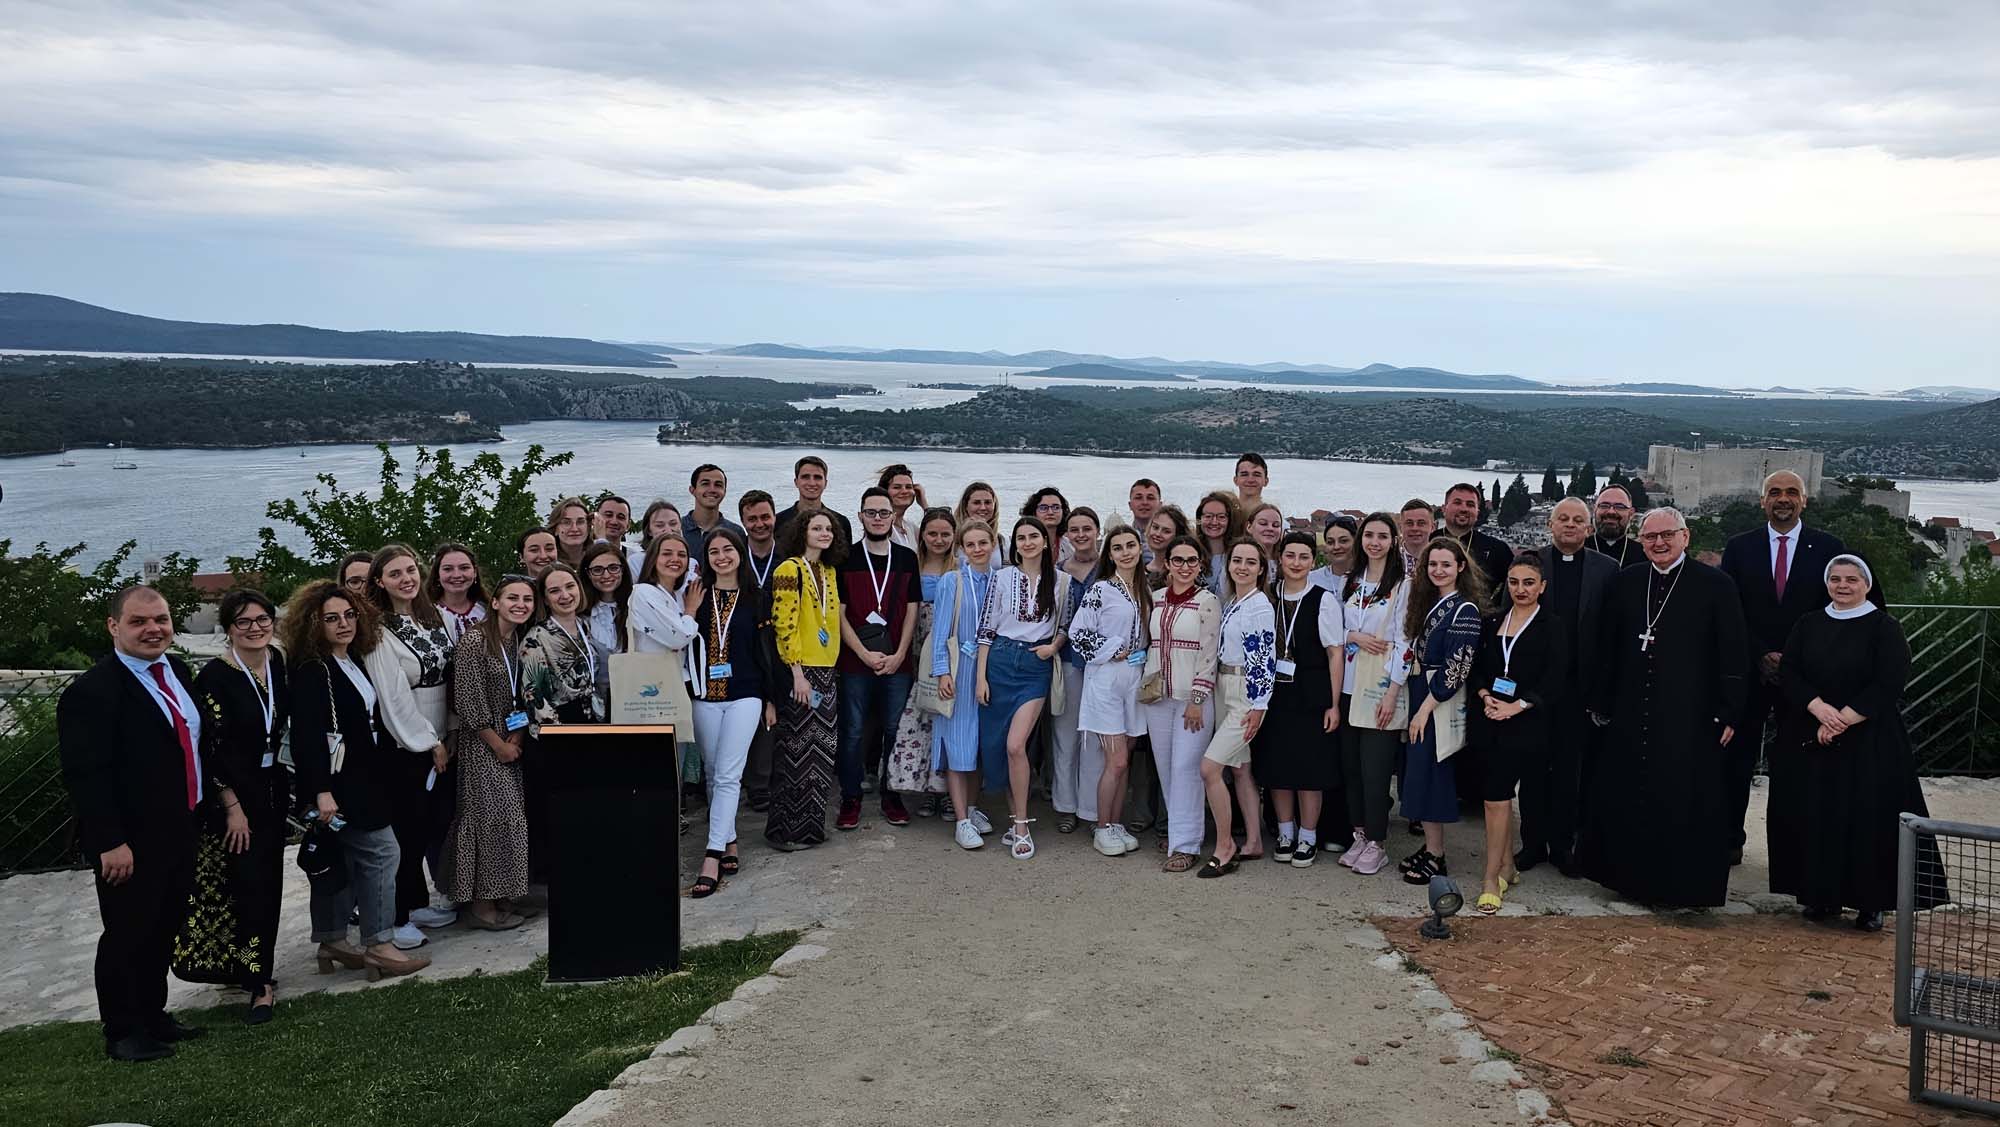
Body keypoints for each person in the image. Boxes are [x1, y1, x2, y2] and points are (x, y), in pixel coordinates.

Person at [59, 586, 208, 1059]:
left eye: (160, 620)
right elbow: (87, 775)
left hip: (180, 825)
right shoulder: (92, 691)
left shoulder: (176, 671)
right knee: (127, 932)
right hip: (129, 839)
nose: (153, 629)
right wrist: (110, 841)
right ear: (114, 626)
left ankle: (153, 1014)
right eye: (139, 621)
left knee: (164, 925)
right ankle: (122, 1030)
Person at [1585, 507, 1749, 908]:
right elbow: (1607, 646)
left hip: (1689, 711)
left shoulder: (1716, 584)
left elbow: (1733, 651)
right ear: (1640, 541)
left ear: (1685, 537)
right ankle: (1627, 880)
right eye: (1650, 537)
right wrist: (1601, 700)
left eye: (1667, 535)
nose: (1658, 543)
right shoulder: (1626, 581)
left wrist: (1730, 709)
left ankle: (1678, 888)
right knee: (1629, 795)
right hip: (1630, 706)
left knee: (1680, 797)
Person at [1771, 555, 1944, 931]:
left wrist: (1843, 719)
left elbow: (1889, 680)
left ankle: (1871, 903)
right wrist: (1819, 710)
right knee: (1818, 817)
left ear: (1867, 584)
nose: (1842, 586)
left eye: (1851, 579)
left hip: (1870, 739)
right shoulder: (1808, 623)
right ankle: (1821, 896)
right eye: (1835, 579)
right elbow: (1790, 672)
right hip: (1813, 732)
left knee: (1868, 820)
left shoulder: (1884, 627)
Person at [284, 581, 430, 985]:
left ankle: (332, 939)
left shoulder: (351, 660)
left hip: (363, 778)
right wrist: (321, 791)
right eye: (331, 618)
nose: (343, 624)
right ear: (313, 624)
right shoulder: (313, 670)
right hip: (339, 785)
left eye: (349, 615)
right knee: (383, 853)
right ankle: (379, 943)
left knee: (343, 857)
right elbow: (308, 737)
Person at [1718, 469, 1847, 865]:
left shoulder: (1828, 548)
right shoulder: (1739, 547)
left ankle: (1796, 850)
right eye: (1774, 492)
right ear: (1763, 502)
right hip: (1750, 671)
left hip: (1805, 676)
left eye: (1792, 492)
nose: (1783, 498)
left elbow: (1834, 610)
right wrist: (1760, 654)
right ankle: (1728, 840)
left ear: (1804, 500)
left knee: (1800, 763)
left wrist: (1791, 659)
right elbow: (1730, 611)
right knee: (1735, 760)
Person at [186, 589, 290, 1023]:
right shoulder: (214, 676)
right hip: (235, 798)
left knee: (269, 884)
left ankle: (254, 967)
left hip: (272, 790)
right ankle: (258, 982)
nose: (255, 628)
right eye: (244, 621)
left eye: (262, 619)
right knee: (247, 885)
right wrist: (231, 806)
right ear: (229, 628)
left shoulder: (277, 662)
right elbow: (209, 748)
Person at [362, 544, 457, 948]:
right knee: (407, 830)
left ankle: (417, 904)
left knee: (431, 824)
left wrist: (450, 732)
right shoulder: (377, 630)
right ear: (380, 582)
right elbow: (393, 695)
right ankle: (397, 917)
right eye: (395, 574)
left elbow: (450, 678)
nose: (406, 579)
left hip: (442, 732)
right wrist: (427, 742)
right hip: (406, 741)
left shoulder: (434, 618)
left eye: (410, 570)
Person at [686, 527, 782, 897]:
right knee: (713, 773)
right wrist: (689, 612)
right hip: (703, 695)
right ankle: (728, 839)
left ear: (740, 553)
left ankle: (711, 856)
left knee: (728, 774)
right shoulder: (695, 593)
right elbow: (681, 637)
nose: (722, 556)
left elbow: (767, 650)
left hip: (746, 694)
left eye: (728, 549)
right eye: (714, 551)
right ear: (706, 558)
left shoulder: (757, 597)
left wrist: (771, 699)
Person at [1471, 554, 1568, 913]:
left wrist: (1519, 706)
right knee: (1494, 798)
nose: (1520, 589)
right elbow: (1476, 669)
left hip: (1527, 724)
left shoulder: (1552, 626)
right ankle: (1506, 867)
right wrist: (1486, 697)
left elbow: (1556, 678)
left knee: (1500, 798)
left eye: (1528, 583)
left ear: (1542, 586)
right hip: (1490, 719)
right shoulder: (1492, 621)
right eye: (1514, 582)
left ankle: (1490, 877)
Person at [442, 573, 535, 931]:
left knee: (510, 820)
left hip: (511, 738)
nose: (520, 605)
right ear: (495, 602)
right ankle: (481, 906)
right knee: (489, 820)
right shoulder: (474, 642)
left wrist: (518, 737)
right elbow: (467, 700)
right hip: (483, 744)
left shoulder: (518, 640)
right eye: (512, 598)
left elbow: (523, 693)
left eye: (527, 599)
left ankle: (503, 896)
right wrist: (498, 744)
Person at [1529, 498, 1616, 875]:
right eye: (1562, 518)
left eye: (1578, 520)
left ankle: (1563, 847)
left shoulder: (1607, 569)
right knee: (1533, 769)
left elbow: (1612, 630)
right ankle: (1532, 844)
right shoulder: (1530, 562)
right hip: (1534, 688)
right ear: (1550, 525)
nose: (1569, 525)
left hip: (1579, 688)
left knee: (1569, 772)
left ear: (1589, 528)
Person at [976, 516, 1068, 860]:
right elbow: (986, 629)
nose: (1027, 542)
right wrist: (981, 677)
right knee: (997, 745)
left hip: (1034, 666)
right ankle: (1014, 816)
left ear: (1045, 541)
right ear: (1014, 544)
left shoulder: (1061, 580)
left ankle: (1020, 826)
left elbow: (1067, 624)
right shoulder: (1002, 577)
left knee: (1016, 745)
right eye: (1021, 538)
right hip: (1000, 661)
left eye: (1033, 536)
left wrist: (1053, 647)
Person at [1397, 537, 1486, 885]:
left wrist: (1424, 710)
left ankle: (1437, 855)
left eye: (1446, 564)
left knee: (1433, 773)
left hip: (1438, 699)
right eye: (1433, 564)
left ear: (1460, 567)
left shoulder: (1465, 610)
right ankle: (1430, 846)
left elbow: (1456, 668)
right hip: (1421, 690)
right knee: (1419, 772)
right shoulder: (1431, 603)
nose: (1438, 570)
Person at [1255, 532, 1345, 867]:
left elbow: (1335, 654)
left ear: (1313, 560)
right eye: (1290, 556)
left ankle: (1308, 836)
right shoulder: (1267, 595)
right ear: (1279, 558)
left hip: (1311, 695)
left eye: (1304, 557)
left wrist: (1333, 704)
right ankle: (1285, 833)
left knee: (1310, 770)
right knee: (1278, 767)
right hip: (1274, 695)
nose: (1296, 563)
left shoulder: (1323, 600)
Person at [834, 487, 921, 830]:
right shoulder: (846, 559)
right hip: (856, 661)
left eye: (884, 513)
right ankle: (851, 796)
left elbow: (912, 610)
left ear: (892, 516)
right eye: (871, 512)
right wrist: (863, 653)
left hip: (898, 662)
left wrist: (900, 654)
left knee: (895, 729)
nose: (878, 518)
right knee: (853, 731)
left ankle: (891, 794)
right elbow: (839, 614)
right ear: (860, 516)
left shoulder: (907, 558)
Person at [1195, 540, 1277, 877]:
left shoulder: (1259, 606)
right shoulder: (1232, 602)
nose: (1242, 567)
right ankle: (1254, 841)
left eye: (1250, 562)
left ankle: (1225, 845)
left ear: (1261, 568)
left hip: (1245, 693)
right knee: (1240, 768)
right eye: (1237, 561)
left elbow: (1264, 659)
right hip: (1224, 687)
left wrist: (1259, 705)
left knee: (1209, 769)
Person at [1334, 513, 1410, 875]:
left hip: (1380, 688)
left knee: (1375, 771)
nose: (1374, 542)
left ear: (1393, 541)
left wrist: (1393, 692)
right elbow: (1333, 629)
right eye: (1369, 535)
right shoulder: (1351, 582)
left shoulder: (1403, 586)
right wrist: (1353, 636)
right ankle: (1360, 835)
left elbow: (1406, 642)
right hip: (1348, 686)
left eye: (1382, 536)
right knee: (1351, 768)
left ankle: (1377, 842)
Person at [1142, 534, 1222, 873]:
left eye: (1192, 560)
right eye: (1178, 560)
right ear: (1168, 564)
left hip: (1192, 700)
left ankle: (1185, 846)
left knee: (1186, 769)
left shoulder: (1208, 601)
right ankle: (1179, 834)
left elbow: (1209, 654)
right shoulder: (1156, 598)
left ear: (1200, 565)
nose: (1185, 567)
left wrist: (1198, 698)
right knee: (1166, 769)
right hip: (1157, 699)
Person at [766, 511, 845, 849]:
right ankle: (785, 831)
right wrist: (797, 673)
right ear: (803, 532)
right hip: (801, 672)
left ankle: (811, 828)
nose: (824, 533)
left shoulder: (829, 571)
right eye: (816, 528)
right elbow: (783, 623)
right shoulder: (789, 569)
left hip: (826, 671)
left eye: (828, 528)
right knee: (796, 750)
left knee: (822, 752)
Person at [1070, 524, 1150, 858]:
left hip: (1134, 680)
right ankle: (1102, 827)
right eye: (1118, 547)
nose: (1126, 552)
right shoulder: (1101, 589)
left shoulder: (1144, 589)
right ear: (1111, 554)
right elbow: (1078, 633)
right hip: (1105, 680)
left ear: (1139, 548)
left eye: (1131, 545)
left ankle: (1116, 824)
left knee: (1125, 761)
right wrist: (1112, 648)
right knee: (1114, 761)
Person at [886, 508, 957, 816]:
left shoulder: (961, 567)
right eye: (932, 534)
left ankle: (947, 790)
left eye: (945, 534)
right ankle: (926, 787)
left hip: (949, 652)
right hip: (915, 648)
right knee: (920, 718)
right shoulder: (911, 565)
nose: (938, 540)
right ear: (922, 535)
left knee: (948, 719)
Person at [932, 520, 997, 849]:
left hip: (990, 673)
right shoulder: (952, 581)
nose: (977, 549)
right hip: (959, 672)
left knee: (979, 746)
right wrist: (942, 672)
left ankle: (972, 810)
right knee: (958, 745)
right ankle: (960, 820)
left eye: (982, 543)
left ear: (992, 544)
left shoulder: (1000, 581)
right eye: (970, 544)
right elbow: (940, 630)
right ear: (961, 548)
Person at [1050, 507, 1104, 833]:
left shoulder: (1108, 569)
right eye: (1075, 529)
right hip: (1068, 661)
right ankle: (1065, 806)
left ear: (1097, 530)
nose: (1081, 534)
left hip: (1101, 665)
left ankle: (1091, 808)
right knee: (1065, 737)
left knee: (1095, 739)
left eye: (1087, 528)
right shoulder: (1057, 573)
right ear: (1067, 534)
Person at [737, 488, 783, 812]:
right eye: (752, 518)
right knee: (753, 710)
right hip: (745, 642)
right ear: (743, 522)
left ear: (775, 517)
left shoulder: (789, 557)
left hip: (783, 641)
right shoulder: (735, 556)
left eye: (765, 516)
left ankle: (780, 777)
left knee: (782, 709)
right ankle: (756, 783)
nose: (760, 523)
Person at [520, 562, 606, 725]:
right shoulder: (535, 640)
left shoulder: (586, 626)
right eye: (555, 591)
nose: (565, 595)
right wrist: (558, 732)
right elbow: (534, 697)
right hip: (562, 724)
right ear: (545, 599)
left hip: (596, 717)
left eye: (570, 586)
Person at [580, 540, 631, 709]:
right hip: (594, 703)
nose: (607, 575)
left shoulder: (637, 607)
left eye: (613, 568)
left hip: (634, 698)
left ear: (623, 570)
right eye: (597, 570)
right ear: (587, 574)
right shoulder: (579, 615)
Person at [1438, 482, 1514, 592]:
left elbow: (1513, 588)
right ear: (1444, 509)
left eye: (1470, 504)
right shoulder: (1428, 542)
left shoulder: (1498, 550)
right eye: (1457, 502)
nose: (1464, 509)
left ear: (1477, 513)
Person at [776, 455, 853, 545]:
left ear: (825, 483)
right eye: (805, 477)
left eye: (817, 477)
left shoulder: (841, 523)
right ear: (796, 482)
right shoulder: (778, 522)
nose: (812, 483)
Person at [426, 542, 488, 643]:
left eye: (464, 568)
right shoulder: (425, 614)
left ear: (475, 572)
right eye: (448, 569)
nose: (457, 575)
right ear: (437, 574)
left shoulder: (487, 611)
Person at [684, 463, 744, 563]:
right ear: (692, 490)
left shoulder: (736, 532)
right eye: (705, 484)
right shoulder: (677, 529)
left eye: (718, 485)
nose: (712, 489)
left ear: (724, 492)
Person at [1194, 491, 1243, 597]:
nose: (1214, 522)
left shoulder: (1239, 554)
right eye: (1208, 516)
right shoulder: (1190, 553)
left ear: (1229, 520)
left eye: (1221, 517)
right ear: (1199, 519)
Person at [1586, 485, 1639, 567]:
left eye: (1619, 507)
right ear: (1594, 510)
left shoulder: (1645, 554)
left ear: (1631, 513)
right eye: (1604, 505)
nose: (1611, 512)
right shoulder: (1577, 549)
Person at [1143, 505, 1191, 589]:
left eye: (1166, 531)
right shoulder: (1139, 571)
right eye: (1155, 527)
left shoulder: (1187, 570)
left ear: (1178, 536)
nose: (1158, 534)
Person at [878, 463, 924, 548]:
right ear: (884, 492)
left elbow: (936, 537)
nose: (904, 491)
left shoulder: (910, 527)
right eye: (897, 487)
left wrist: (924, 504)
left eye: (908, 487)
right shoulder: (880, 525)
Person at [1310, 515, 1358, 594]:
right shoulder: (1311, 580)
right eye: (1330, 542)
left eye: (1343, 541)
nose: (1336, 547)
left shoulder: (1369, 578)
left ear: (1356, 542)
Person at [548, 496, 593, 569]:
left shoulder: (597, 558)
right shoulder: (548, 563)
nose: (574, 529)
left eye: (580, 522)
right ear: (555, 529)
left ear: (588, 527)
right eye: (566, 522)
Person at [1245, 502, 1286, 580]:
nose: (1270, 528)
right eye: (1263, 523)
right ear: (1249, 526)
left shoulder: (1287, 562)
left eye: (1276, 525)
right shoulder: (1238, 560)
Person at [1396, 498, 1436, 572]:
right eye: (1409, 523)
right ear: (1400, 527)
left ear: (1433, 527)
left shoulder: (1444, 560)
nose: (1415, 528)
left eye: (1421, 523)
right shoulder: (1389, 561)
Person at [1127, 479, 1162, 555]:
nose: (1144, 502)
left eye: (1150, 498)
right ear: (1130, 505)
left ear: (1160, 505)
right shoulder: (1120, 538)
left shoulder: (1171, 540)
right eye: (1138, 498)